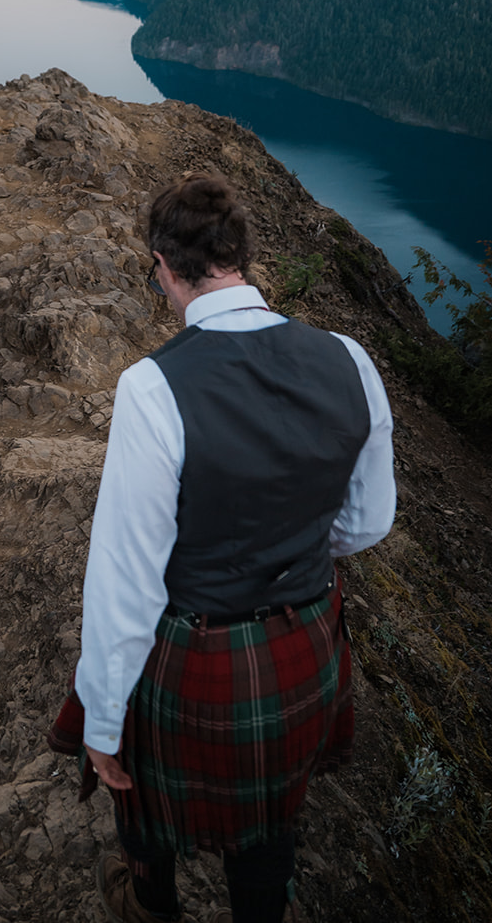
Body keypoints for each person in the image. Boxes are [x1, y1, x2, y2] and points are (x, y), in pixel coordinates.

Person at [60, 174, 395, 923]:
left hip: (197, 655)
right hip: (306, 646)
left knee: (141, 801)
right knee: (271, 823)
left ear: (163, 265)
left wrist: (102, 725)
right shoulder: (350, 359)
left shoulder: (152, 387)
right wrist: (293, 546)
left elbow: (127, 581)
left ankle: (150, 902)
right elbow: (367, 523)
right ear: (239, 256)